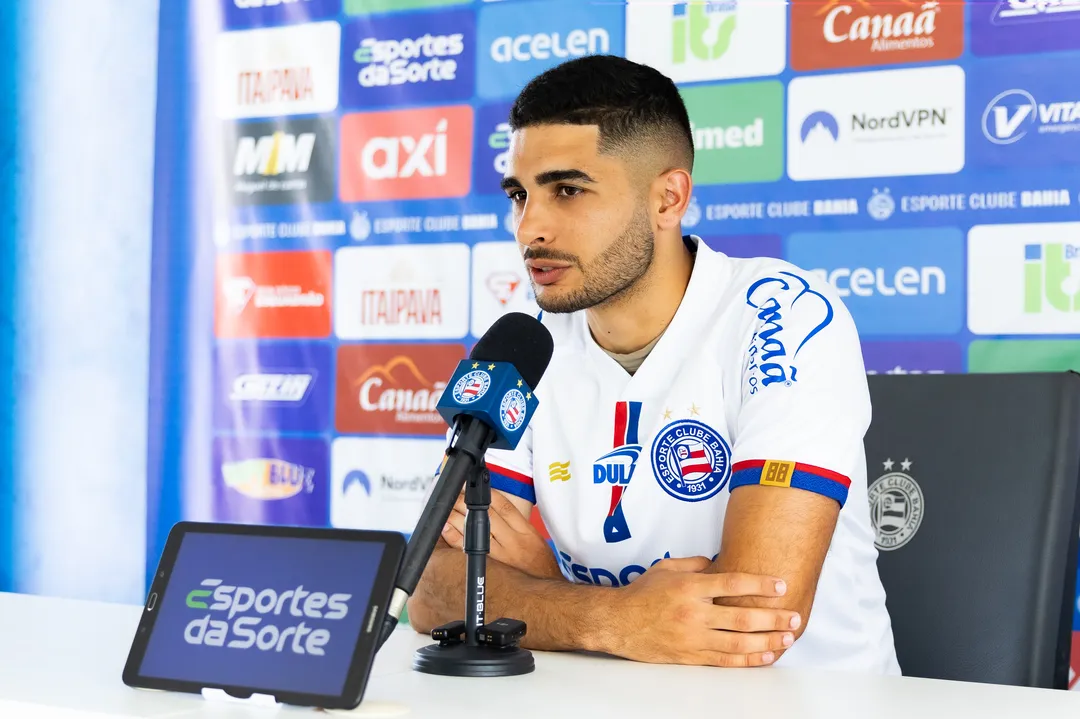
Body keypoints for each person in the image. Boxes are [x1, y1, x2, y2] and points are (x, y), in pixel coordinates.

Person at [408, 54, 899, 674]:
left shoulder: (783, 314)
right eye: (519, 194)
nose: (529, 226)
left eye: (567, 189)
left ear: (668, 199)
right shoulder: (525, 346)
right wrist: (612, 616)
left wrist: (540, 584)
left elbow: (751, 614)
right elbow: (431, 588)